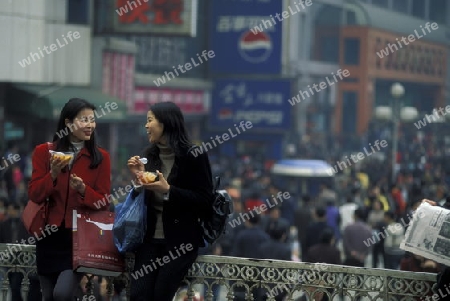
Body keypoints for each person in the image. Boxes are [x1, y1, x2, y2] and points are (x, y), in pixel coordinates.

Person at [126, 102, 213, 301]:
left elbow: (205, 200)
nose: (146, 126)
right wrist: (139, 179)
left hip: (180, 241)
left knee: (160, 294)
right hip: (149, 239)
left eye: (150, 120)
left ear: (165, 123)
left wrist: (169, 191)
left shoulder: (194, 155)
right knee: (138, 294)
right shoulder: (149, 155)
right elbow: (143, 198)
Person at [28, 98, 111, 301]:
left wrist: (83, 190)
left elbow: (104, 202)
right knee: (48, 296)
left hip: (78, 238)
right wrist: (53, 175)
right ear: (68, 123)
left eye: (92, 119)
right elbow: (35, 194)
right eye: (84, 119)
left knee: (62, 294)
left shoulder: (101, 157)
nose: (90, 125)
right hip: (48, 235)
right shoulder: (44, 152)